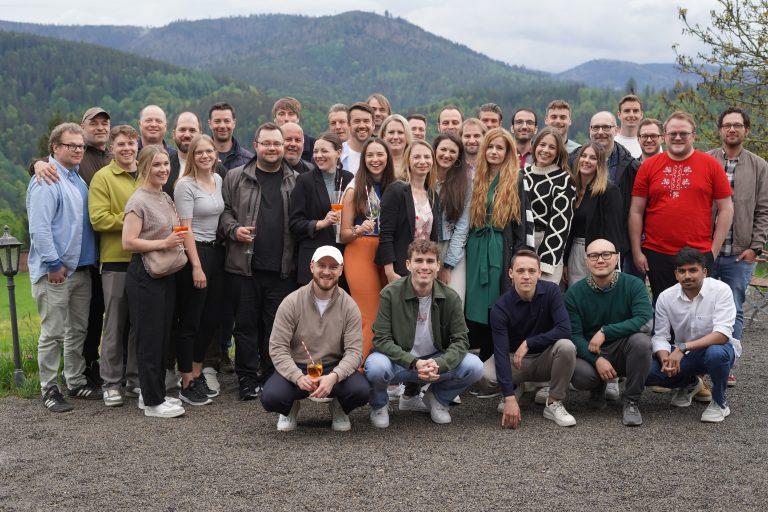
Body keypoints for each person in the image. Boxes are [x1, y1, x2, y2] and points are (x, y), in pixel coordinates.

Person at [365, 239, 483, 427]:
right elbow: (381, 339)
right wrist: (414, 362)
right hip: (400, 362)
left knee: (474, 366)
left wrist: (439, 363)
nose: (424, 266)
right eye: (419, 260)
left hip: (434, 362)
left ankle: (438, 399)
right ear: (408, 264)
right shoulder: (391, 293)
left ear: (438, 265)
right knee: (376, 366)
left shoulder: (451, 297)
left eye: (430, 261)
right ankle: (379, 404)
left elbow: (461, 340)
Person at [218, 122, 298, 399]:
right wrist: (233, 229)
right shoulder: (236, 177)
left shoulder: (295, 179)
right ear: (256, 145)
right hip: (244, 266)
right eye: (267, 143)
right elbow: (224, 211)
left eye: (277, 143)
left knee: (276, 328)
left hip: (282, 268)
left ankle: (272, 375)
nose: (273, 148)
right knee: (246, 326)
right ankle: (247, 379)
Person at [28, 123, 100, 412]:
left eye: (81, 145)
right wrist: (52, 262)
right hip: (57, 271)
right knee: (53, 332)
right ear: (54, 148)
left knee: (77, 331)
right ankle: (49, 388)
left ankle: (74, 380)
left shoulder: (76, 178)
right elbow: (40, 227)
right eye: (71, 145)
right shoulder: (47, 178)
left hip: (81, 269)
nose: (78, 149)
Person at [629, 111, 734, 303]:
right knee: (662, 307)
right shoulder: (649, 166)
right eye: (673, 133)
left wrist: (714, 250)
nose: (678, 137)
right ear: (665, 136)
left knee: (697, 308)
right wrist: (637, 251)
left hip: (698, 252)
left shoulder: (711, 165)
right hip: (656, 253)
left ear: (693, 135)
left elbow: (726, 208)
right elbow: (636, 211)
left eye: (684, 133)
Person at [261, 246, 369, 431]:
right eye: (322, 265)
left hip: (334, 367)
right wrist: (297, 377)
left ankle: (339, 406)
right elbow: (278, 347)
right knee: (272, 398)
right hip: (299, 367)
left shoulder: (349, 306)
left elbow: (354, 351)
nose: (327, 272)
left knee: (361, 391)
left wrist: (334, 377)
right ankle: (289, 407)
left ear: (341, 270)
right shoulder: (291, 302)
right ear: (312, 266)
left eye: (333, 267)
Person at [123, 145, 187, 418]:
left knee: (161, 337)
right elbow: (128, 242)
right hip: (145, 274)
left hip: (165, 274)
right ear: (144, 167)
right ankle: (152, 403)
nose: (163, 169)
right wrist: (165, 242)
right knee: (149, 339)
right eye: (156, 165)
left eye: (165, 164)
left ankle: (153, 394)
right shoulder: (137, 201)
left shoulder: (164, 196)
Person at [481, 250, 576, 428]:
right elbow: (500, 353)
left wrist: (529, 343)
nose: (526, 276)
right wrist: (508, 398)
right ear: (510, 273)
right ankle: (515, 388)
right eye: (520, 271)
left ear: (539, 273)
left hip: (544, 357)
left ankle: (553, 402)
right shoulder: (500, 308)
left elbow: (565, 329)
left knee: (567, 347)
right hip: (514, 360)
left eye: (532, 271)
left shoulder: (552, 292)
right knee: (484, 375)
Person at [707, 106, 768, 387]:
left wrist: (756, 247)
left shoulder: (760, 166)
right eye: (727, 125)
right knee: (702, 308)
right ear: (720, 130)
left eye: (738, 125)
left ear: (746, 130)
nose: (732, 129)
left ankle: (726, 364)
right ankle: (698, 364)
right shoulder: (706, 160)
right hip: (706, 251)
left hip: (740, 253)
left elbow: (764, 210)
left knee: (734, 310)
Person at [645, 247, 740, 422]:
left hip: (716, 348)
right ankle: (691, 383)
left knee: (716, 354)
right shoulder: (666, 297)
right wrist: (666, 359)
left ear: (704, 272)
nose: (687, 276)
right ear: (676, 274)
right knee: (648, 372)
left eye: (692, 270)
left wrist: (682, 348)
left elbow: (722, 334)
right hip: (685, 354)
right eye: (682, 271)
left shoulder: (721, 290)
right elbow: (660, 336)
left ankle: (719, 402)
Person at [565, 239, 653, 426]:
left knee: (642, 343)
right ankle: (598, 386)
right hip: (593, 350)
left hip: (624, 348)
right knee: (581, 375)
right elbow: (574, 335)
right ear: (586, 260)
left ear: (616, 258)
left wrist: (606, 331)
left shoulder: (633, 284)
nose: (600, 260)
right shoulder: (574, 293)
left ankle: (631, 401)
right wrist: (596, 360)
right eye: (594, 256)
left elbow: (644, 319)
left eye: (606, 254)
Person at [465, 128, 534, 361]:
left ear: (508, 152)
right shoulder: (476, 178)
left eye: (500, 148)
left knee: (497, 303)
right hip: (474, 247)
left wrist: (521, 256)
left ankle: (491, 359)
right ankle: (473, 361)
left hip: (499, 247)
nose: (494, 152)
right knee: (472, 302)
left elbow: (522, 223)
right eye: (491, 147)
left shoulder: (517, 179)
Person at [88, 125, 141, 407]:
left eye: (131, 144)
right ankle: (110, 382)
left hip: (145, 260)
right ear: (112, 147)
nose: (127, 149)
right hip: (116, 260)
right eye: (121, 144)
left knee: (137, 325)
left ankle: (133, 380)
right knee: (115, 325)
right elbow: (99, 219)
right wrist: (136, 219)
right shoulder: (103, 177)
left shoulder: (144, 173)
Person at [174, 134, 227, 406]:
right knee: (191, 320)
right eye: (199, 152)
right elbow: (184, 230)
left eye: (209, 151)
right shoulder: (185, 185)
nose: (205, 156)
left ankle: (197, 371)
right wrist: (196, 266)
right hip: (195, 253)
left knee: (211, 318)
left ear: (216, 155)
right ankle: (186, 380)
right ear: (192, 157)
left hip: (216, 252)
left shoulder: (218, 180)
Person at [339, 138, 396, 365]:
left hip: (389, 249)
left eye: (380, 154)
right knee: (368, 314)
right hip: (360, 250)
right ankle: (356, 370)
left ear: (388, 158)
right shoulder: (354, 188)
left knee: (390, 315)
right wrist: (357, 230)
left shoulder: (396, 185)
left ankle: (385, 370)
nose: (375, 159)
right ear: (363, 160)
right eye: (369, 155)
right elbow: (343, 233)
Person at [581, 110, 641, 277]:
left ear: (616, 130)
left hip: (616, 246)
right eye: (596, 127)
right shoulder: (575, 161)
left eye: (606, 127)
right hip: (581, 244)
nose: (600, 132)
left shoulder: (631, 167)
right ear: (590, 130)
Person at [289, 133, 353, 285]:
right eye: (316, 151)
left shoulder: (348, 178)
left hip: (342, 255)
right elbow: (294, 223)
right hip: (314, 257)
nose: (318, 155)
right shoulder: (305, 180)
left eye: (324, 151)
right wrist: (321, 223)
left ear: (338, 153)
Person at [377, 140, 441, 284]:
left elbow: (433, 237)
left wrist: (435, 266)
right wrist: (389, 271)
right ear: (408, 160)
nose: (422, 161)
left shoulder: (432, 195)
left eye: (427, 157)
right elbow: (386, 234)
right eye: (417, 157)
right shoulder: (396, 190)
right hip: (401, 266)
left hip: (425, 268)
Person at [564, 142, 625, 286]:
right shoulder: (570, 189)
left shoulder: (609, 191)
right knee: (578, 296)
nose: (586, 160)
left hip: (600, 254)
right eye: (583, 156)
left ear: (600, 164)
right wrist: (565, 261)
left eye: (593, 158)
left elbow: (614, 232)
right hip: (575, 252)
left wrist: (611, 262)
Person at [523, 127, 575, 284]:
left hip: (550, 246)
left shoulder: (564, 180)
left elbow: (560, 224)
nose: (546, 150)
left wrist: (546, 261)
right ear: (534, 146)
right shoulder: (521, 176)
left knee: (544, 298)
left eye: (552, 147)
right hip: (523, 244)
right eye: (542, 145)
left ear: (559, 151)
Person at [432, 132, 471, 303]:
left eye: (453, 152)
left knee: (454, 300)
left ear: (458, 157)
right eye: (443, 149)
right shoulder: (423, 178)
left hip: (452, 248)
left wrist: (447, 265)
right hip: (425, 246)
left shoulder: (464, 184)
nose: (447, 155)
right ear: (434, 150)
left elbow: (463, 227)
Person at [208, 102, 253, 170]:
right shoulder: (201, 159)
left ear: (234, 123)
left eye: (227, 121)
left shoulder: (249, 161)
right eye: (217, 121)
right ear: (210, 124)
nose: (222, 126)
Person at [272, 96, 314, 162]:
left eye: (291, 114)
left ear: (298, 118)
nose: (286, 118)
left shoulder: (313, 146)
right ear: (274, 118)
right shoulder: (266, 146)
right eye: (281, 114)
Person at [340, 102, 374, 175]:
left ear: (373, 125)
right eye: (357, 121)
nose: (362, 126)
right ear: (349, 125)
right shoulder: (338, 154)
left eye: (366, 121)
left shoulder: (382, 154)